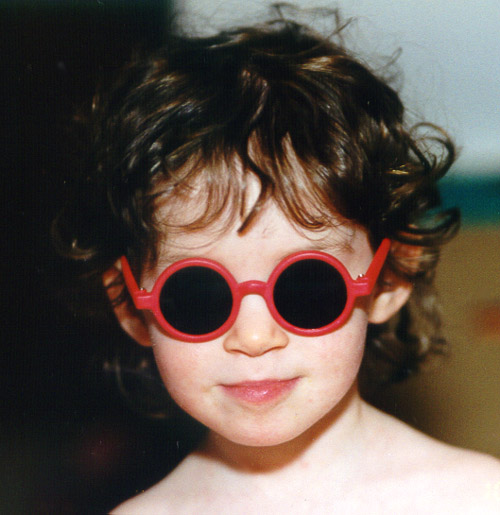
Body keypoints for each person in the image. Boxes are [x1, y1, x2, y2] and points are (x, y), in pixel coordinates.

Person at [54, 11, 500, 513]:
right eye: (197, 296)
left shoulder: (478, 497)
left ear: (390, 278)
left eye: (306, 288)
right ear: (129, 305)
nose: (253, 337)